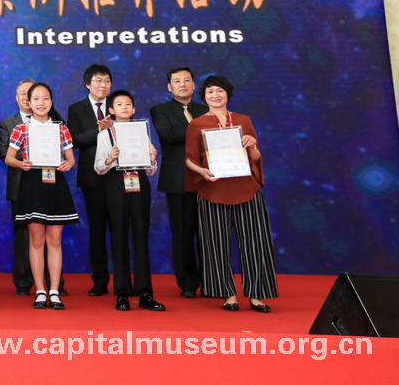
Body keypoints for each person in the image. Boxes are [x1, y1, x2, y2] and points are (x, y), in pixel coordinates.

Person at [185, 75, 278, 313]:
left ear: (228, 94)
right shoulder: (196, 124)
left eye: (219, 91)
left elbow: (255, 157)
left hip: (246, 188)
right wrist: (202, 172)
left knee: (256, 242)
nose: (215, 96)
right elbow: (189, 159)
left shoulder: (243, 120)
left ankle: (257, 295)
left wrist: (252, 146)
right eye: (210, 92)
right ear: (204, 97)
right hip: (212, 190)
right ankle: (228, 294)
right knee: (215, 244)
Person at [5, 82, 78, 311]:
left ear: (51, 101)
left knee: (55, 240)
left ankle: (54, 291)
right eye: (36, 98)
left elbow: (71, 158)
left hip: (56, 184)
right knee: (36, 240)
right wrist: (21, 163)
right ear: (28, 102)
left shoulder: (61, 128)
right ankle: (40, 291)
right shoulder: (21, 129)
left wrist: (68, 164)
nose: (41, 103)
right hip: (32, 184)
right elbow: (9, 158)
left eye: (45, 98)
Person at [93, 90, 165, 312]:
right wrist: (110, 159)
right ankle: (122, 292)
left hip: (139, 183)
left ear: (133, 109)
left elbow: (150, 170)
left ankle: (145, 292)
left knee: (141, 236)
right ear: (111, 110)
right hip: (115, 184)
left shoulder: (141, 131)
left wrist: (152, 159)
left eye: (128, 104)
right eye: (119, 104)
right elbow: (98, 167)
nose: (124, 107)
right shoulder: (105, 135)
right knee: (119, 236)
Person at [149, 67, 208, 298]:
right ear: (169, 86)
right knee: (182, 233)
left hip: (208, 178)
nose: (182, 84)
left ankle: (211, 280)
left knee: (208, 233)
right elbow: (169, 135)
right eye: (177, 81)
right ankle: (187, 283)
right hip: (177, 179)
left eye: (187, 80)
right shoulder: (160, 110)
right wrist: (202, 128)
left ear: (194, 85)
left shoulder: (206, 109)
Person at [66, 64, 114, 296]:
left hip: (117, 174)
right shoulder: (77, 109)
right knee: (97, 229)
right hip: (91, 177)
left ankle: (123, 280)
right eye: (98, 80)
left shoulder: (118, 104)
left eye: (107, 81)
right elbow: (73, 140)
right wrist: (100, 130)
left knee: (120, 228)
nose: (103, 85)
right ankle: (100, 280)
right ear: (87, 84)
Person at [0, 79, 35, 295]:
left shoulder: (52, 122)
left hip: (46, 184)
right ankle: (23, 282)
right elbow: (3, 152)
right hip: (19, 184)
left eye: (31, 93)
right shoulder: (7, 123)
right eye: (23, 93)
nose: (26, 97)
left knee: (50, 232)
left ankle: (53, 283)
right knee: (22, 234)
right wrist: (33, 154)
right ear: (17, 97)